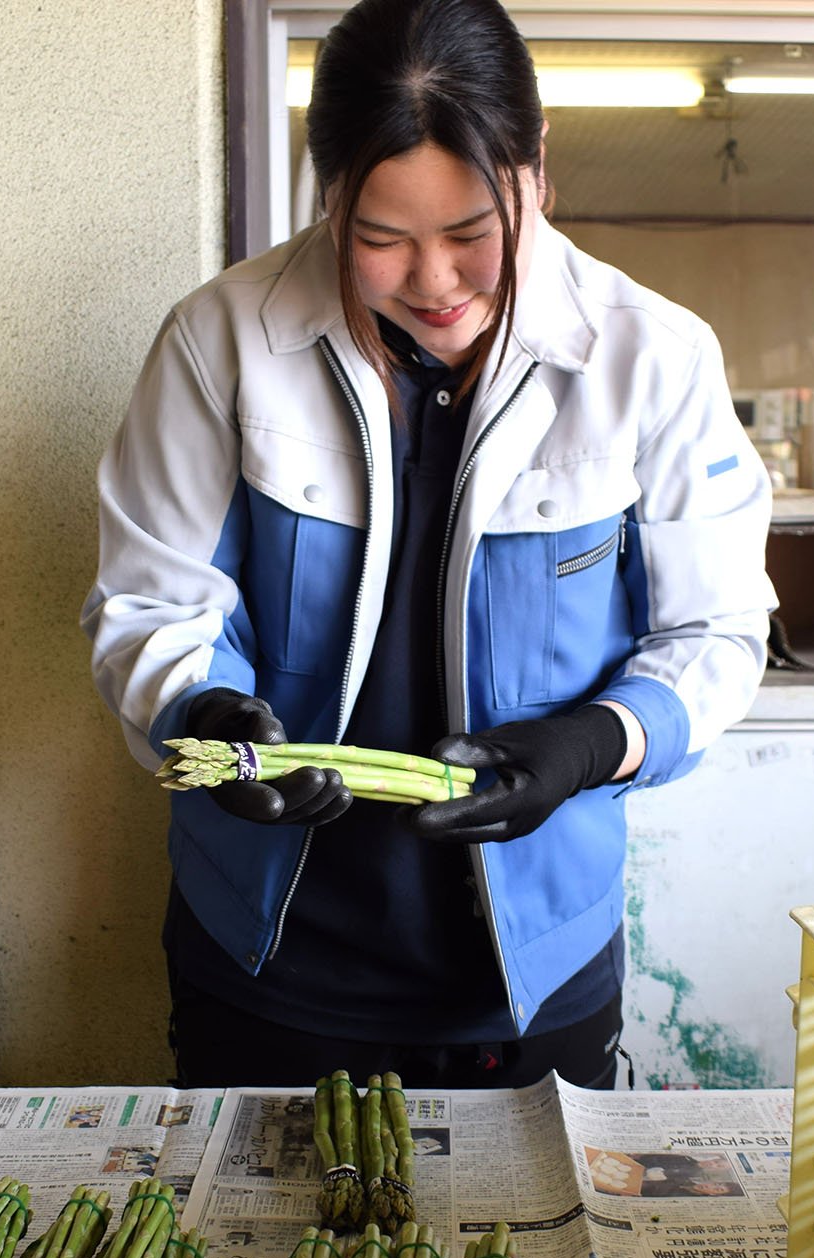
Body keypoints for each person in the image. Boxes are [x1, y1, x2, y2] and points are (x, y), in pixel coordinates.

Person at [84, 0, 773, 1091]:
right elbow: (149, 606)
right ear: (328, 197)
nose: (436, 283)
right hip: (269, 960)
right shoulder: (223, 342)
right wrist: (205, 716)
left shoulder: (648, 359)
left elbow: (718, 633)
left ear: (535, 168)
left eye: (471, 236)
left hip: (531, 971)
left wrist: (592, 744)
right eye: (380, 241)